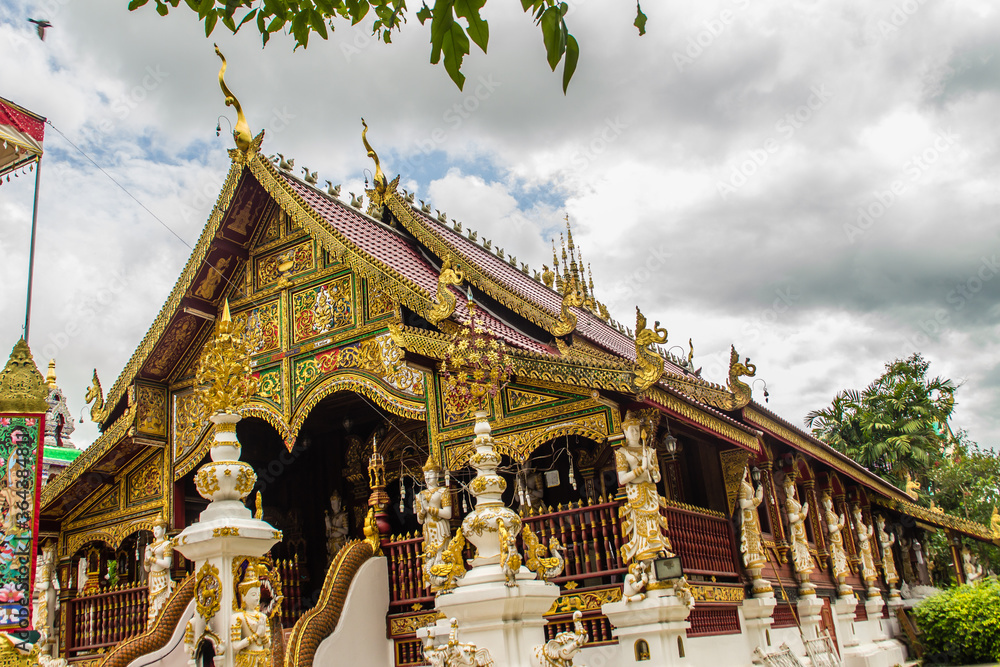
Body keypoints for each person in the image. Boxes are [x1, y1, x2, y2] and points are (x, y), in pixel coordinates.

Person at [615, 411, 671, 565]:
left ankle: (657, 550)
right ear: (625, 432)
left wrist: (651, 469)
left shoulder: (649, 451)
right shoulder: (622, 452)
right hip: (636, 494)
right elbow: (622, 479)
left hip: (650, 492)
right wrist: (641, 470)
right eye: (631, 430)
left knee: (653, 522)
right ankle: (644, 551)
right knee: (641, 526)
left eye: (637, 429)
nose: (634, 432)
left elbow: (657, 477)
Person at [415, 454, 453, 587]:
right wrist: (423, 511)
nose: (427, 477)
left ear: (437, 475)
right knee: (431, 555)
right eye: (425, 474)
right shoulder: (420, 495)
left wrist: (429, 508)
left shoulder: (443, 492)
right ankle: (434, 581)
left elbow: (448, 514)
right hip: (428, 530)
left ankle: (446, 579)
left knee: (442, 554)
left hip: (440, 527)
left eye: (430, 474)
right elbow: (419, 520)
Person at [231, 564, 270, 667]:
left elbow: (268, 644)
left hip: (262, 659)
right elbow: (235, 646)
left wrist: (263, 636)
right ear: (243, 597)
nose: (257, 598)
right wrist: (256, 635)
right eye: (253, 595)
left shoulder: (263, 617)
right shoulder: (238, 617)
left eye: (258, 595)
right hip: (246, 660)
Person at [143, 513, 174, 627]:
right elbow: (146, 568)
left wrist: (151, 558)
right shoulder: (151, 546)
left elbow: (167, 563)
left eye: (158, 529)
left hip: (162, 578)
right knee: (153, 604)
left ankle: (162, 624)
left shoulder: (166, 544)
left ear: (164, 529)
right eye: (154, 529)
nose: (155, 531)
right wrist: (146, 559)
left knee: (162, 603)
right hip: (153, 578)